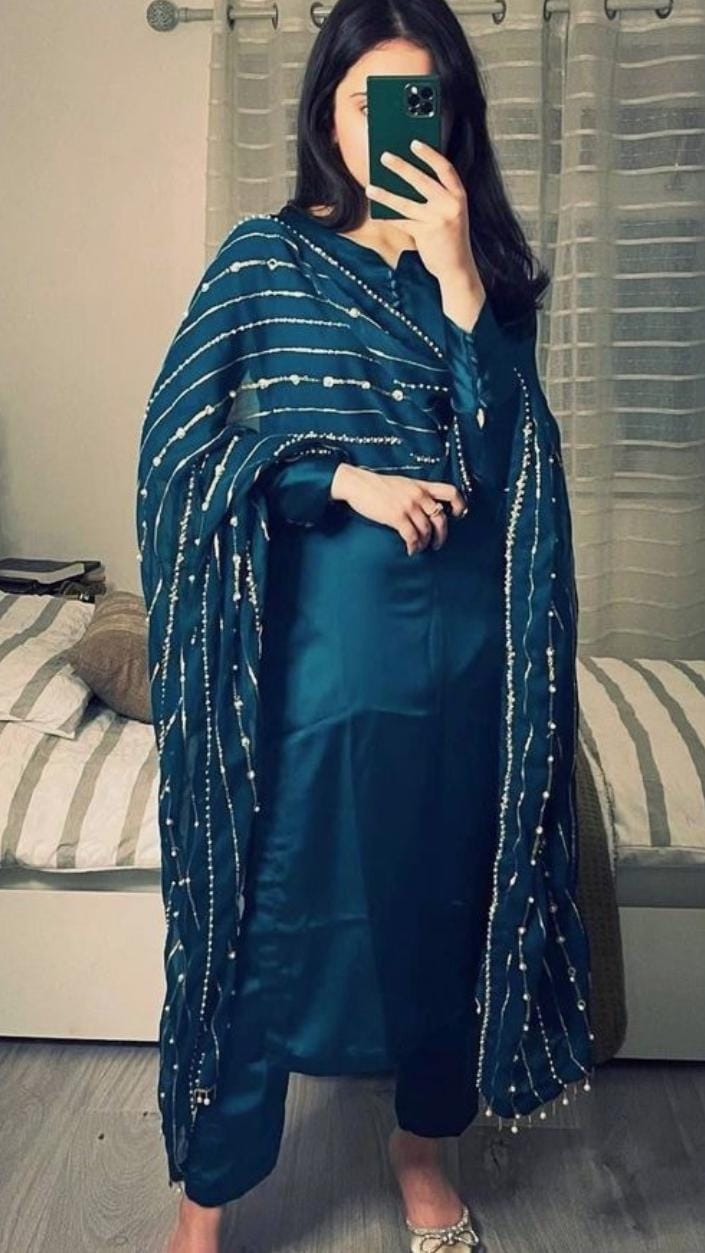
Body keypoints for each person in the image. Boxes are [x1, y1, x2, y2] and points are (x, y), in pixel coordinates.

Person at [136, 3, 595, 1251]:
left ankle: (422, 1156)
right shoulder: (264, 259)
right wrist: (343, 478)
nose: (393, 127)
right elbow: (183, 449)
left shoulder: (483, 272)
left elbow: (512, 470)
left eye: (420, 100)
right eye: (367, 101)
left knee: (445, 896)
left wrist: (460, 284)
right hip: (324, 640)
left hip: (464, 644)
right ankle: (206, 1203)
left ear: (452, 116)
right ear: (327, 115)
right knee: (273, 908)